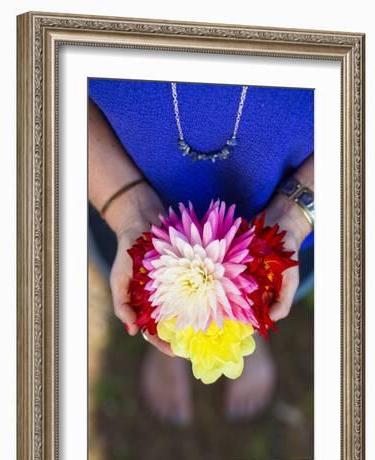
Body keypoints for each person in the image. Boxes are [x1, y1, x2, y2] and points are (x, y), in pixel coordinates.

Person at [88, 79, 314, 425]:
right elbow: (50, 87)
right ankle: (175, 340)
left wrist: (296, 215)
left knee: (270, 282)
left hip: (287, 191)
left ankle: (246, 332)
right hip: (121, 175)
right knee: (143, 281)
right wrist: (125, 205)